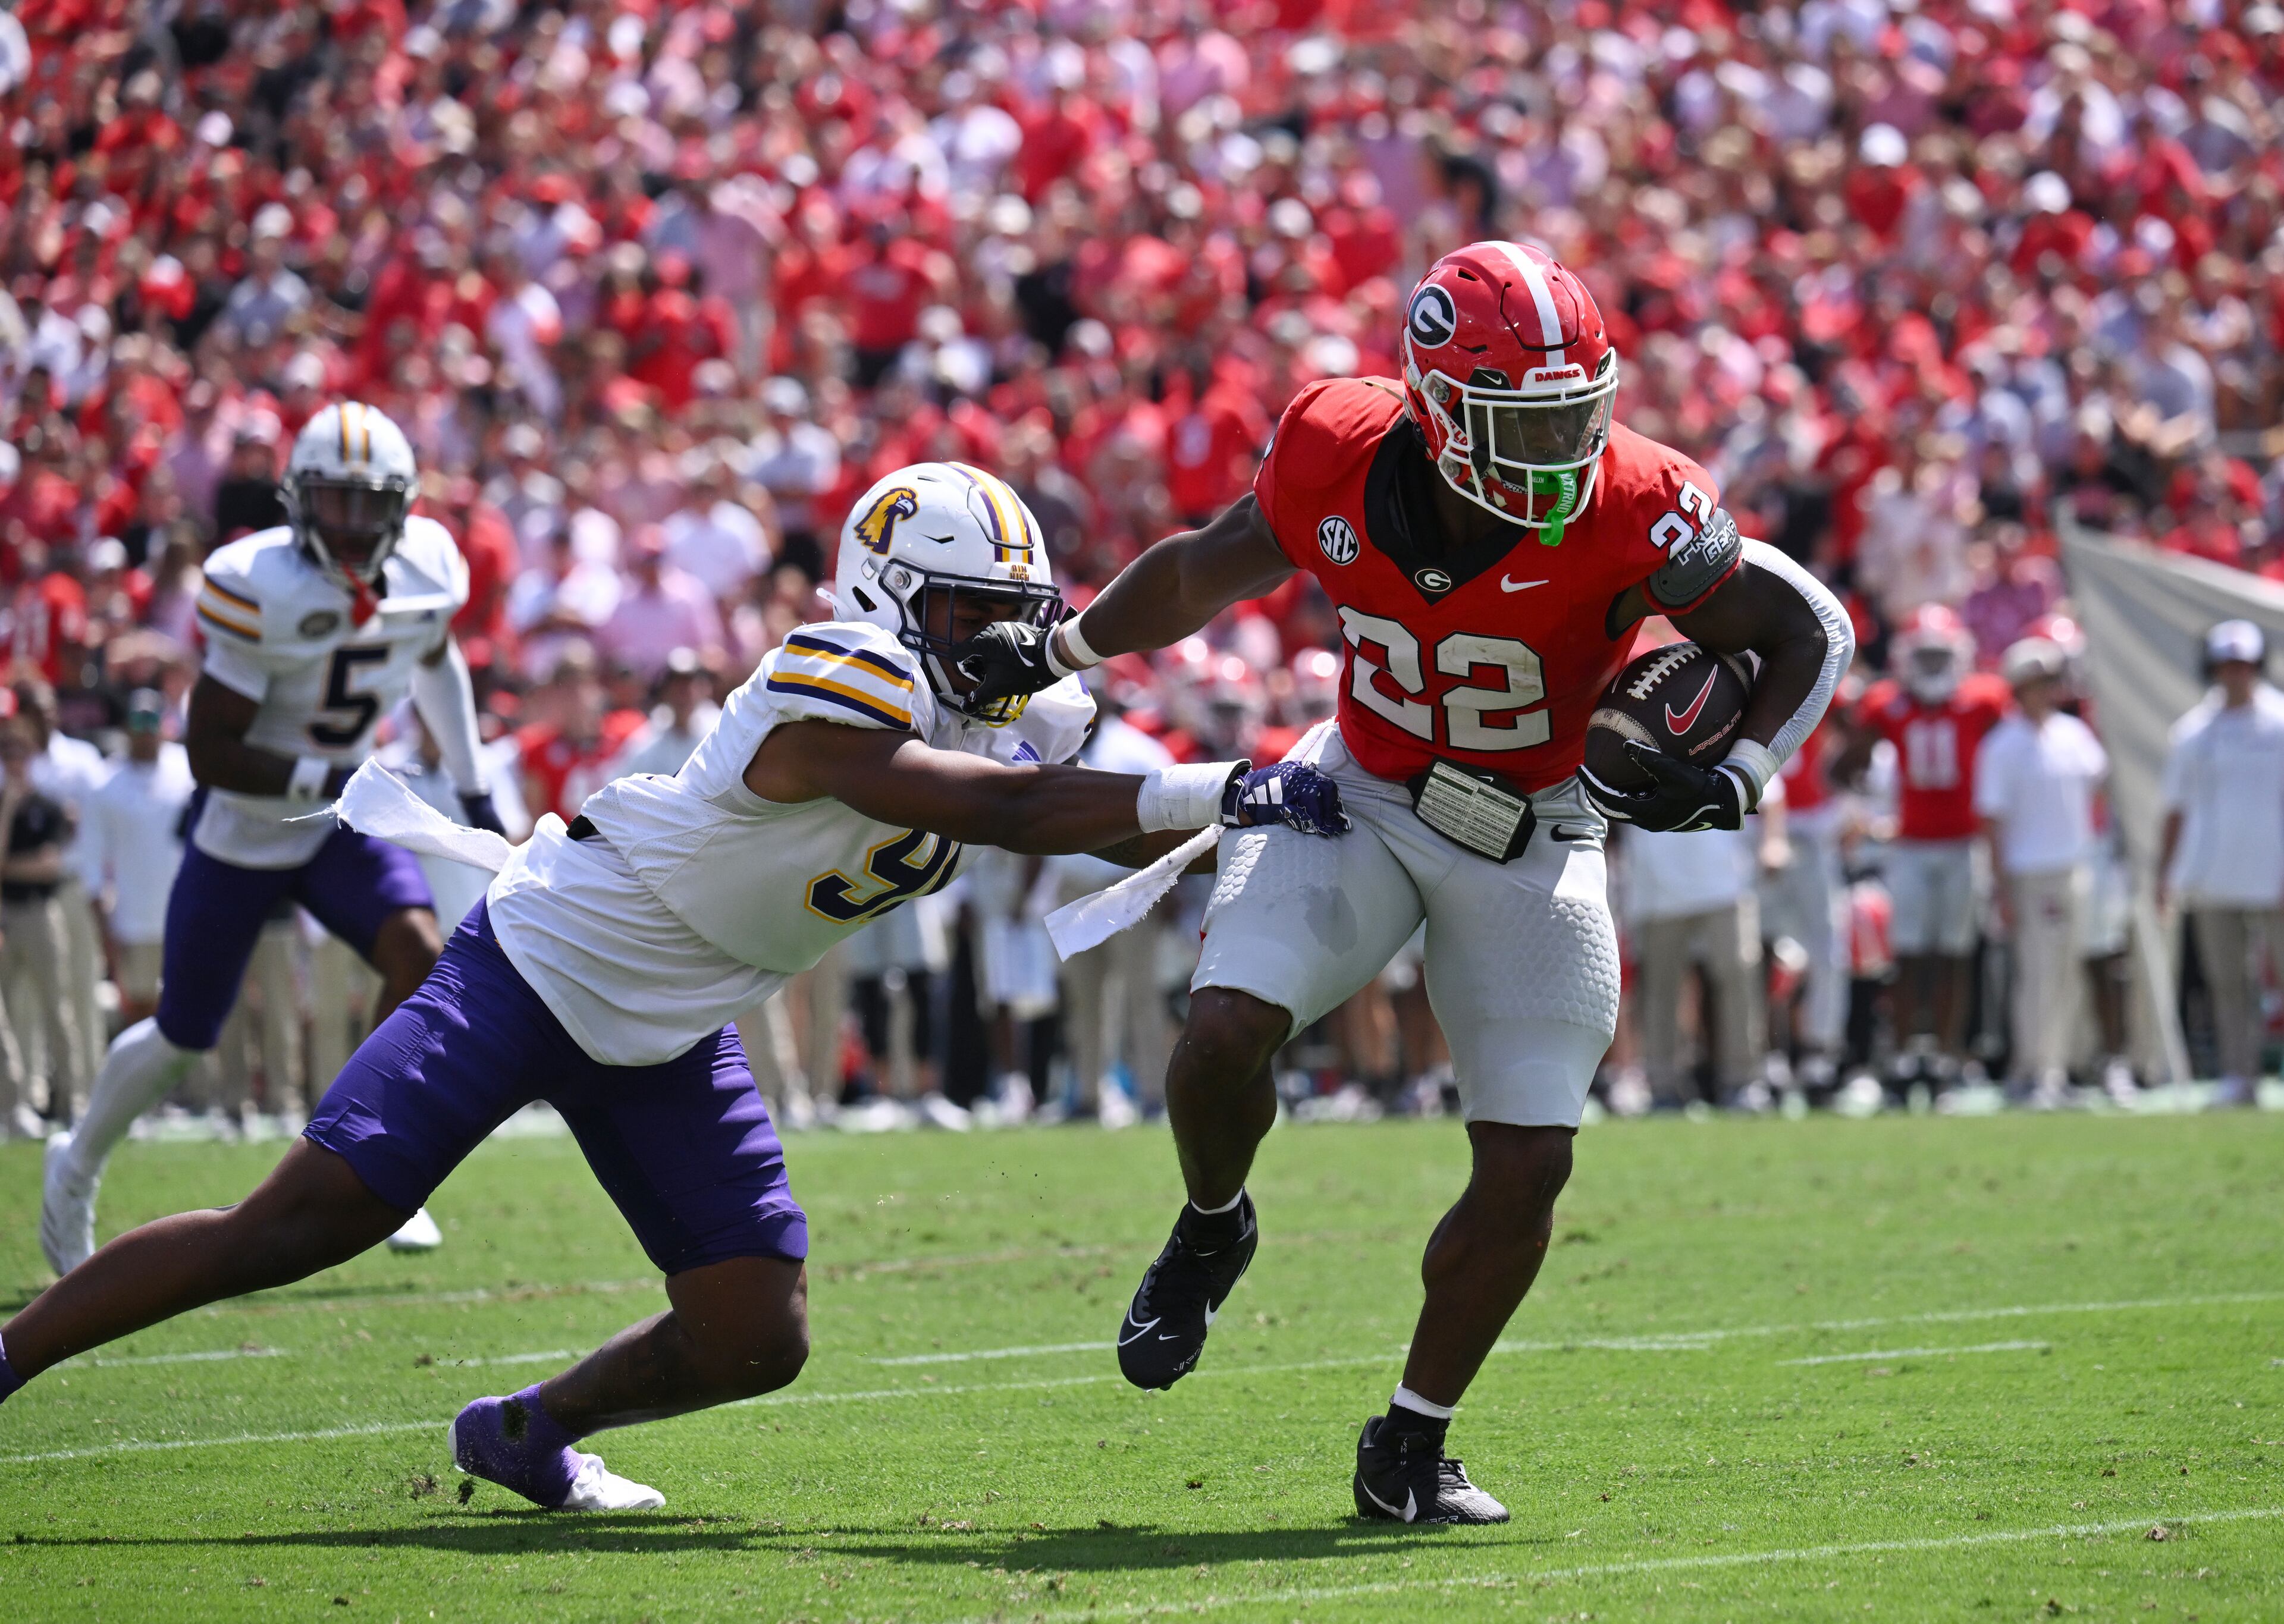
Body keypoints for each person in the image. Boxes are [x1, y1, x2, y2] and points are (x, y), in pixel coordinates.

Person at [0, 461, 1344, 1513]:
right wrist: (1218, 786)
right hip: (544, 962)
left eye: (1014, 613)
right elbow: (994, 806)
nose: (997, 640)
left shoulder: (1013, 711)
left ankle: (528, 1434)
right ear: (884, 595)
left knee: (755, 1334)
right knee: (307, 1222)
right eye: (965, 611)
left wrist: (1267, 801)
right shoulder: (835, 671)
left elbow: (1086, 808)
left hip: (676, 1021)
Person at [962, 243, 1852, 1523]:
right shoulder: (1332, 441)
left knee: (1531, 1158)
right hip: (1362, 788)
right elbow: (1206, 566)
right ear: (1436, 407)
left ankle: (1412, 1443)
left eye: (1574, 410)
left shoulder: (1636, 498)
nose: (1559, 444)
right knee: (1219, 1036)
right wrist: (1060, 646)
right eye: (1524, 418)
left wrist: (1746, 770)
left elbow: (1804, 625)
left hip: (1538, 824)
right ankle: (1215, 1223)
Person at [39, 402, 502, 1274]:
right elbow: (212, 751)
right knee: (184, 1032)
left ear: (404, 506)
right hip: (251, 825)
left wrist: (473, 786)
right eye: (337, 503)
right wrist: (324, 779)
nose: (357, 526)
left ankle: (378, 1154)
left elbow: (436, 655)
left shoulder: (431, 564)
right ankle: (77, 1161)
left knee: (417, 954)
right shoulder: (259, 581)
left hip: (339, 818)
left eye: (374, 505)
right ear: (298, 501)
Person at [1837, 605, 2012, 1097]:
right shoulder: (1887, 704)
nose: (1934, 666)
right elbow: (1847, 764)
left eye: (1942, 655)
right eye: (1926, 655)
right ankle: (1904, 1052)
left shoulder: (1985, 700)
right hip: (1910, 844)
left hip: (1962, 843)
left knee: (1955, 953)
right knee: (1909, 952)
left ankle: (1949, 1053)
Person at [1973, 637, 2109, 1108]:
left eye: (2050, 681)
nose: (2046, 690)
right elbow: (1992, 822)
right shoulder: (2002, 746)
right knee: (2038, 973)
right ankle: (2034, 1070)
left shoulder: (2075, 735)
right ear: (2019, 687)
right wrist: (2001, 888)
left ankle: (2062, 1066)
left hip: (2074, 867)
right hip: (2029, 873)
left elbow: (2103, 787)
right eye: (2037, 682)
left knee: (2070, 971)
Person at [2157, 620, 2284, 1107]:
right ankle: (2240, 1074)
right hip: (2212, 878)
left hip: (2274, 875)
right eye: (2227, 666)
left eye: (2244, 665)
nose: (2235, 675)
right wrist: (2165, 875)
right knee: (2229, 982)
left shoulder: (2278, 723)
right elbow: (2175, 809)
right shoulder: (2193, 733)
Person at [80, 690, 194, 1026]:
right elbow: (92, 867)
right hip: (133, 925)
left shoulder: (188, 769)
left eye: (152, 721)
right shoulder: (104, 784)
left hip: (183, 921)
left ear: (164, 726)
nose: (145, 731)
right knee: (143, 1017)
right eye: (138, 722)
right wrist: (106, 936)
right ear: (125, 728)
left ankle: (195, 1083)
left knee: (189, 1013)